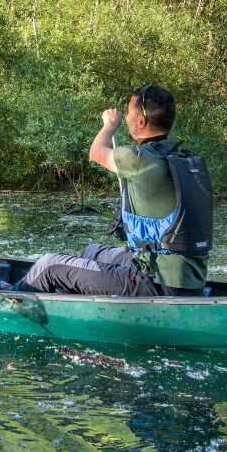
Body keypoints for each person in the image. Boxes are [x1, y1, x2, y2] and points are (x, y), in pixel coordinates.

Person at [15, 85, 212, 296]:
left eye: (128, 113)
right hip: (185, 276)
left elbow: (96, 152)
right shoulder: (182, 158)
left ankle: (10, 303)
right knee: (90, 252)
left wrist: (110, 125)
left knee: (49, 265)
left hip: (155, 281)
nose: (125, 117)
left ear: (141, 122)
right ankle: (69, 299)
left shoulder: (138, 159)